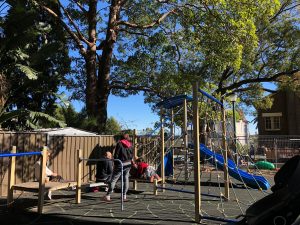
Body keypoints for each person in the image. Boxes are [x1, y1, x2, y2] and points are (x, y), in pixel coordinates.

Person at [102, 133, 133, 202]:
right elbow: (131, 155)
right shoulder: (130, 144)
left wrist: (115, 164)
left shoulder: (119, 144)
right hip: (128, 164)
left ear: (121, 138)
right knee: (126, 179)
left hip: (120, 163)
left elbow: (116, 155)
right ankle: (124, 196)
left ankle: (108, 196)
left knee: (114, 179)